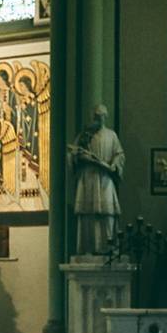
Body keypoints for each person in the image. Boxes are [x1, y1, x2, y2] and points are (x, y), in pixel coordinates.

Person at [69, 104, 125, 255]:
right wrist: (82, 157)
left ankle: (108, 248)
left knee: (108, 213)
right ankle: (88, 248)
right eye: (96, 116)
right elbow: (73, 154)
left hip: (105, 177)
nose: (99, 119)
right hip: (88, 178)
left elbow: (119, 154)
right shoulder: (84, 135)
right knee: (88, 214)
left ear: (105, 117)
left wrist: (114, 165)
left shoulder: (111, 135)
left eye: (101, 116)